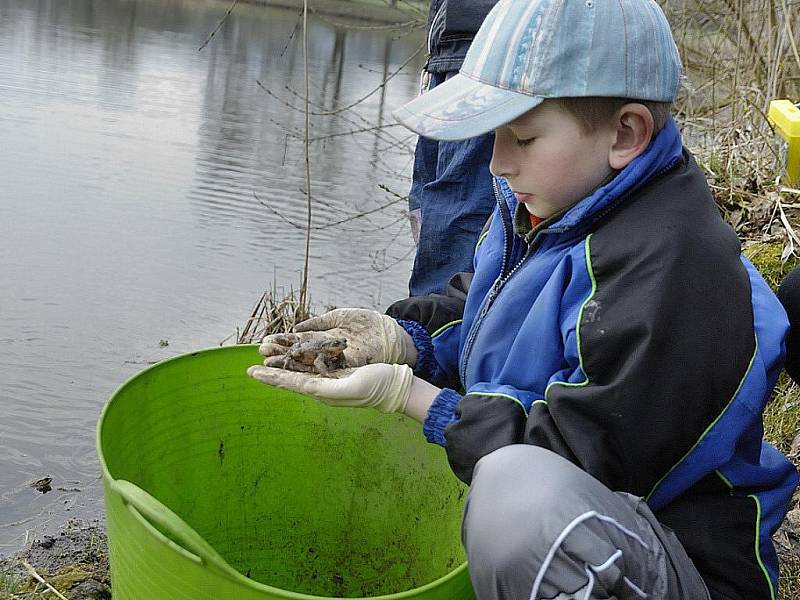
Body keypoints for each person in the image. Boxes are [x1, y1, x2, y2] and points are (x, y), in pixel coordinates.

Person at [248, 1, 799, 598]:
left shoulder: (673, 268)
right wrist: (405, 340)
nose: (497, 162)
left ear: (625, 133)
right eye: (493, 137)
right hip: (596, 522)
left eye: (522, 137)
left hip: (679, 559)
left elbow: (573, 460)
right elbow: (484, 309)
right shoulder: (557, 203)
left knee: (517, 502)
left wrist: (415, 399)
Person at [406, 0, 498, 296]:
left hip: (491, 51)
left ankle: (437, 335)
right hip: (445, 53)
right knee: (427, 213)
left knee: (460, 220)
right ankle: (421, 330)